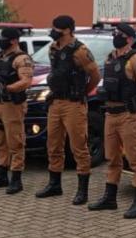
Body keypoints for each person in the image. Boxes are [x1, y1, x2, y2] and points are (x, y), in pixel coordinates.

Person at [88, 23, 136, 219]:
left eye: (120, 34)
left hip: (128, 116)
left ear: (130, 39)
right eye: (115, 33)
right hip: (111, 115)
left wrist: (129, 94)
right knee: (112, 158)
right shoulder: (110, 58)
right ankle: (110, 198)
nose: (116, 36)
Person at [35, 15, 101, 205]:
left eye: (56, 28)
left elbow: (95, 75)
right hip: (56, 102)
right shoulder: (53, 48)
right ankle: (54, 184)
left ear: (67, 30)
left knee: (79, 147)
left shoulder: (80, 51)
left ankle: (82, 191)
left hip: (74, 104)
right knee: (53, 145)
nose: (53, 31)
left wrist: (83, 92)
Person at [0, 27, 34, 194]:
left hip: (12, 105)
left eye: (4, 39)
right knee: (0, 142)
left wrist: (8, 88)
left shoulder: (22, 58)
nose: (1, 42)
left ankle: (16, 179)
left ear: (13, 40)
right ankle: (1, 174)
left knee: (15, 142)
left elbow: (26, 81)